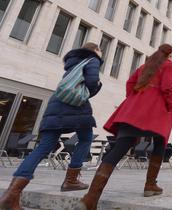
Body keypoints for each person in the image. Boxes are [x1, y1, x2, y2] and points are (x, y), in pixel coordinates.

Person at [0, 43, 103, 210]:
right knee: (86, 139)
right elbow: (91, 82)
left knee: (43, 148)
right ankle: (70, 180)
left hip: (55, 107)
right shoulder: (92, 59)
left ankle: (11, 194)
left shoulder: (73, 63)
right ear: (96, 50)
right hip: (76, 108)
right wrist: (96, 87)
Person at [75, 44, 172, 210]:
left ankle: (90, 198)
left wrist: (135, 101)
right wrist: (171, 107)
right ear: (170, 54)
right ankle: (150, 185)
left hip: (134, 110)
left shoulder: (145, 65)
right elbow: (166, 88)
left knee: (119, 148)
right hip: (156, 111)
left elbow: (130, 83)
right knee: (159, 143)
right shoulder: (170, 65)